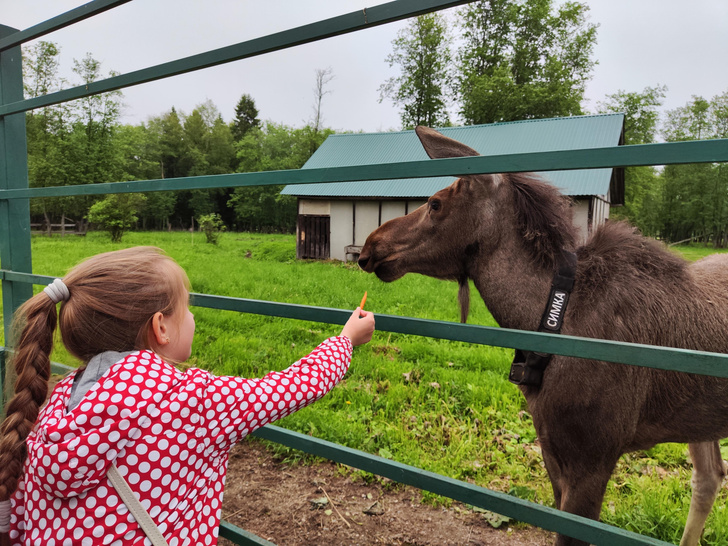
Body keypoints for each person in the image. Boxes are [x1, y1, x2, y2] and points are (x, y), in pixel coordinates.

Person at [0, 246, 375, 546]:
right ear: (160, 327)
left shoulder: (56, 405)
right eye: (187, 308)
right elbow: (293, 387)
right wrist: (345, 340)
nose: (192, 317)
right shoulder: (190, 400)